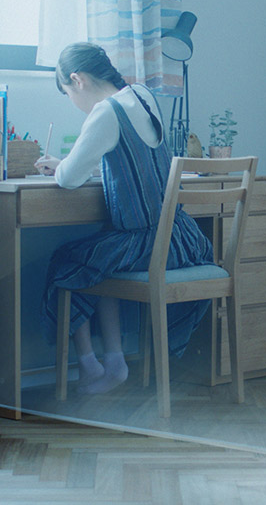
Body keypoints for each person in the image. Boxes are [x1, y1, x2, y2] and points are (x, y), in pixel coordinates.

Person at [35, 42, 215, 395]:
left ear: (78, 80)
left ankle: (89, 365)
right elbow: (127, 161)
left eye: (68, 93)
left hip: (146, 244)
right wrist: (69, 165)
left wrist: (60, 166)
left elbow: (68, 179)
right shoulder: (143, 95)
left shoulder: (105, 112)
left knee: (67, 264)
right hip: (182, 238)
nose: (73, 101)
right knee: (101, 258)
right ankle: (115, 362)